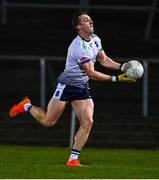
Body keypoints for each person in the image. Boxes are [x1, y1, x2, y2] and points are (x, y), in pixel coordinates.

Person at [9, 11, 135, 167]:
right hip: (66, 85)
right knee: (48, 121)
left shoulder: (95, 39)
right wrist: (116, 78)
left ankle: (73, 159)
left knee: (88, 121)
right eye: (86, 20)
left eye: (90, 19)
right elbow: (91, 72)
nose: (91, 22)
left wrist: (122, 66)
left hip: (81, 87)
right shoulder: (78, 47)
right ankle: (26, 105)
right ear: (78, 27)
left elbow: (104, 59)